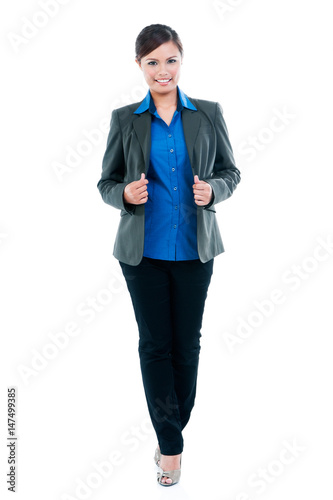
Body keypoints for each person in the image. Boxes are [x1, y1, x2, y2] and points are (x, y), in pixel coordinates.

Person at [97, 23, 241, 486]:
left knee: (188, 344)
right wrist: (126, 195)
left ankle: (169, 429)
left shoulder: (208, 113)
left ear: (182, 59)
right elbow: (106, 183)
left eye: (171, 59)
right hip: (143, 253)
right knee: (155, 345)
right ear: (139, 66)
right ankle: (173, 448)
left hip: (197, 250)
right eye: (152, 62)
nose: (163, 70)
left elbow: (230, 171)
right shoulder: (125, 119)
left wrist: (212, 190)